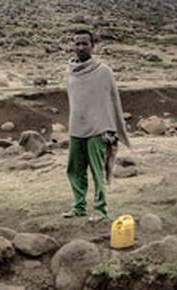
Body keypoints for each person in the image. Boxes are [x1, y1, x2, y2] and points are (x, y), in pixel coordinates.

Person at [64, 29, 129, 223]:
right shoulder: (69, 71)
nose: (81, 47)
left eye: (85, 43)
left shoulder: (103, 71)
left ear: (93, 46)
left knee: (97, 170)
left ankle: (100, 210)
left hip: (98, 128)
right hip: (76, 127)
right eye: (77, 44)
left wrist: (112, 127)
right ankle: (78, 207)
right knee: (74, 170)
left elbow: (113, 100)